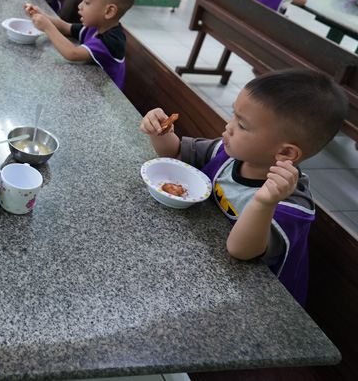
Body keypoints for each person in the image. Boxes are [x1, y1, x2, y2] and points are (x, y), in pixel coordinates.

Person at [139, 69, 349, 307]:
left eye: (242, 125)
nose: (228, 127)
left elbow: (239, 250)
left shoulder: (291, 205)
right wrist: (161, 131)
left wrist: (263, 202)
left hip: (255, 303)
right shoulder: (228, 154)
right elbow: (176, 154)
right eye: (233, 115)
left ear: (285, 152)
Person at [26, 0, 137, 90]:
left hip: (104, 95)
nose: (80, 6)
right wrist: (41, 15)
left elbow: (72, 53)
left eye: (87, 2)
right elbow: (66, 27)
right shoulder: (95, 26)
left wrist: (47, 27)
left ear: (109, 11)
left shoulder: (111, 40)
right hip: (89, 83)